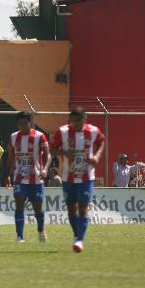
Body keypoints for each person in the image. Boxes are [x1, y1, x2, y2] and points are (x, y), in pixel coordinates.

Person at [50, 108, 105, 253]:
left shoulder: (93, 131)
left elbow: (102, 141)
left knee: (82, 208)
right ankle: (76, 234)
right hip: (68, 177)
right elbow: (52, 149)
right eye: (72, 121)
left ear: (84, 119)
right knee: (71, 209)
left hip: (87, 177)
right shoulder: (62, 132)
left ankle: (80, 240)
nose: (74, 123)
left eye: (77, 121)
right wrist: (65, 152)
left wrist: (97, 156)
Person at [6, 111, 52, 243]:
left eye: (25, 124)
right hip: (19, 178)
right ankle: (19, 236)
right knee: (19, 205)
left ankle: (41, 230)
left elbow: (48, 155)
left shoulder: (39, 136)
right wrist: (8, 176)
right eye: (20, 124)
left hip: (36, 178)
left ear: (30, 123)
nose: (22, 126)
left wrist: (45, 169)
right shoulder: (14, 137)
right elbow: (11, 158)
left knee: (38, 207)